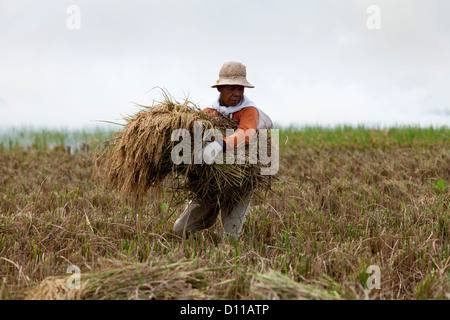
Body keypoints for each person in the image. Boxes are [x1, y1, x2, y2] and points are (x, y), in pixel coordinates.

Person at [172, 61, 273, 239]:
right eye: (232, 88)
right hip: (210, 181)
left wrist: (220, 144)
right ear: (220, 89)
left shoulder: (249, 110)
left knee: (230, 237)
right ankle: (207, 216)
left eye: (241, 89)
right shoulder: (209, 112)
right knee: (180, 230)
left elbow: (246, 133)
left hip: (240, 180)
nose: (237, 94)